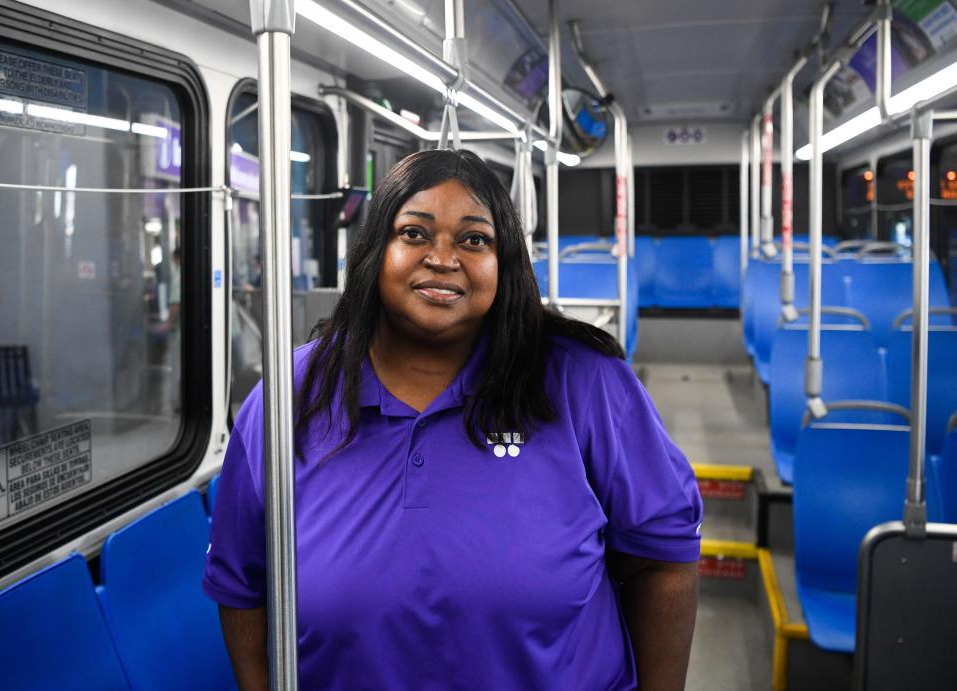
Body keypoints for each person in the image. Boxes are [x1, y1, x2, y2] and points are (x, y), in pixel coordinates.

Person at [203, 149, 702, 690]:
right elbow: (242, 584)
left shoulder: (582, 381)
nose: (443, 258)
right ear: (375, 252)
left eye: (474, 239)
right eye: (414, 233)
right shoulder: (293, 395)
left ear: (504, 262)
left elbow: (662, 558)